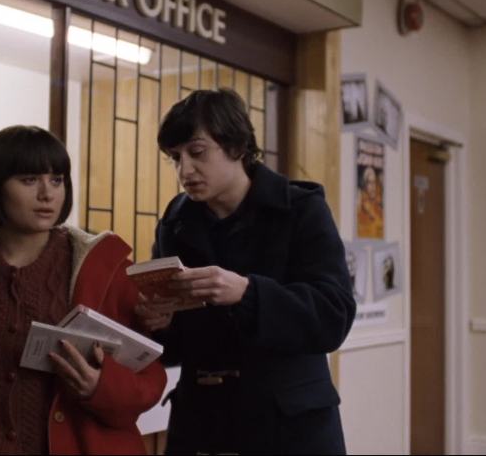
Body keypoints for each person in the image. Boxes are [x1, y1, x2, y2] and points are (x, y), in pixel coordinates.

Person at [0, 126, 166, 455]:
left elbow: (149, 379)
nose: (48, 194)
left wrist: (98, 387)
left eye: (57, 180)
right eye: (30, 180)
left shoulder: (104, 269)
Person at [136, 89, 356, 455]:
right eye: (175, 157)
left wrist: (248, 293)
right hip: (202, 422)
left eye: (197, 152)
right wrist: (159, 323)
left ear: (236, 146)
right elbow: (174, 347)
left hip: (288, 425)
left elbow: (333, 316)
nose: (184, 170)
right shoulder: (176, 222)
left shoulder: (301, 209)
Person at [357, 165, 384, 239]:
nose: (373, 186)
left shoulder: (379, 205)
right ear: (365, 185)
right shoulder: (360, 205)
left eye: (374, 182)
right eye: (369, 182)